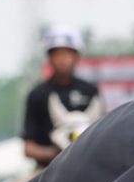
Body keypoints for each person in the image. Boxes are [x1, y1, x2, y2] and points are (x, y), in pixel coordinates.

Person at [21, 26, 103, 170]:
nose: (62, 59)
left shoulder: (90, 91)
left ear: (76, 57)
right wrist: (58, 154)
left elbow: (104, 135)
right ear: (49, 58)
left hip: (87, 168)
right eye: (57, 54)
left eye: (67, 54)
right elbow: (28, 148)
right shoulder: (38, 94)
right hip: (46, 171)